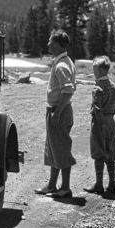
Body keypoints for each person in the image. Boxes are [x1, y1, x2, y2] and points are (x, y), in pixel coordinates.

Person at [35, 30, 77, 199]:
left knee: (61, 149)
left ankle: (65, 187)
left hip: (58, 110)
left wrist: (57, 112)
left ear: (58, 44)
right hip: (57, 110)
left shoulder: (61, 66)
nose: (48, 45)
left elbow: (68, 91)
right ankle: (52, 185)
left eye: (51, 42)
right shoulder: (63, 61)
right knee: (54, 149)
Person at [85, 55, 115, 195]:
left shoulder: (97, 88)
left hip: (100, 122)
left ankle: (99, 184)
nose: (93, 74)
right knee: (110, 151)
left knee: (99, 151)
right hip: (111, 119)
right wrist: (109, 118)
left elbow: (97, 108)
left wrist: (101, 123)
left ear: (98, 71)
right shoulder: (113, 87)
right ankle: (112, 183)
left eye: (94, 71)